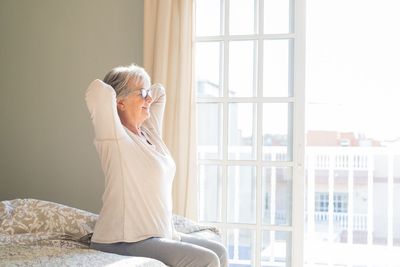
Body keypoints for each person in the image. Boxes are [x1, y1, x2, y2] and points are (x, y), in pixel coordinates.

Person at [85, 63, 227, 267]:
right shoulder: (115, 137)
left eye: (147, 93)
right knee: (207, 260)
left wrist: (143, 89)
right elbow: (97, 90)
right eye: (142, 94)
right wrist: (122, 87)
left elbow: (160, 92)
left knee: (219, 252)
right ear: (120, 102)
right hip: (123, 239)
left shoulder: (149, 134)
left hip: (161, 233)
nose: (149, 99)